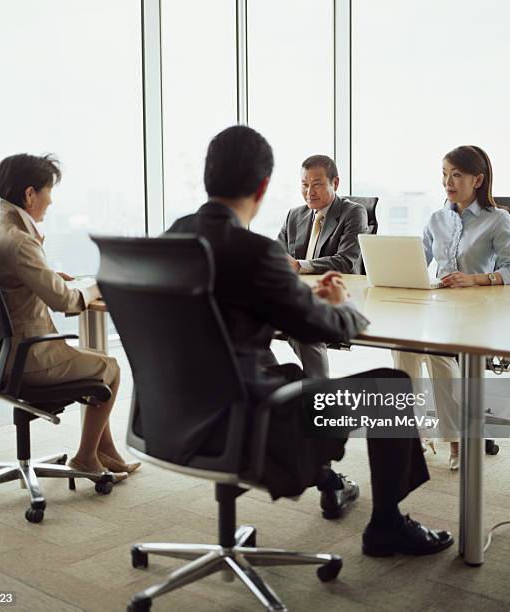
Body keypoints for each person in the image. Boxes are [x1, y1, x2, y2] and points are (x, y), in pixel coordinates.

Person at [167, 125, 453, 555]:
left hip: (176, 415)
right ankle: (386, 524)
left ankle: (331, 480)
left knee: (297, 377)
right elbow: (333, 329)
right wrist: (341, 304)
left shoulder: (171, 241)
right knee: (389, 388)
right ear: (263, 186)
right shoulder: (253, 252)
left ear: (208, 176)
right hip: (255, 419)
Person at [0, 153, 140, 478]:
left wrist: (51, 276)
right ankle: (86, 457)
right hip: (28, 358)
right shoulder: (20, 242)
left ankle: (106, 452)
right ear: (30, 195)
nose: (51, 201)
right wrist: (96, 287)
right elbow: (67, 303)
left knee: (98, 364)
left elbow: (19, 281)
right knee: (109, 368)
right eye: (48, 191)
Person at [393, 145, 510, 470]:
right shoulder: (437, 219)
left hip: (477, 312)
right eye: (445, 174)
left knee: (437, 353)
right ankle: (416, 433)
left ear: (477, 180)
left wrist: (474, 280)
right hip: (438, 307)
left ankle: (455, 440)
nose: (448, 182)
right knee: (403, 347)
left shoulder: (498, 220)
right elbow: (418, 263)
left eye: (457, 175)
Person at [277, 155, 368, 378]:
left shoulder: (353, 212)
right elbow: (277, 256)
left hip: (336, 293)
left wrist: (300, 265)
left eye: (317, 184)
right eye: (305, 184)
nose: (309, 192)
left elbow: (346, 261)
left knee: (303, 327)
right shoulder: (294, 215)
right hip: (298, 293)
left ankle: (319, 390)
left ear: (335, 183)